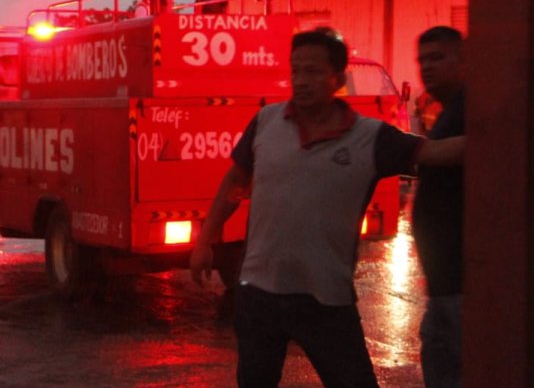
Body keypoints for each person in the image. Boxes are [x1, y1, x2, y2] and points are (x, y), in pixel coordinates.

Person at [190, 29, 464, 387]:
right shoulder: (266, 122)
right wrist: (204, 240)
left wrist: (507, 130)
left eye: (314, 72)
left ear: (338, 78)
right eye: (296, 71)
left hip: (325, 302)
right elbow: (234, 183)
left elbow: (436, 153)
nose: (301, 81)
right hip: (259, 295)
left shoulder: (370, 137)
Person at [413, 26, 466, 388]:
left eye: (438, 58)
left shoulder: (470, 108)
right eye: (422, 60)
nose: (427, 67)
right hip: (443, 283)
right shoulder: (451, 111)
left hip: (461, 286)